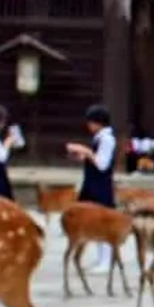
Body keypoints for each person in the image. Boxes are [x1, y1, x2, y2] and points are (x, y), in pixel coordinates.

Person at [66, 104, 116, 270]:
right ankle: (101, 258)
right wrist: (82, 156)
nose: (89, 126)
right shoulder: (99, 138)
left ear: (98, 122)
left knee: (102, 221)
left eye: (91, 122)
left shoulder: (107, 139)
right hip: (92, 183)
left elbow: (102, 164)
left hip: (100, 185)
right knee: (92, 220)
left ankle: (106, 260)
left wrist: (86, 151)